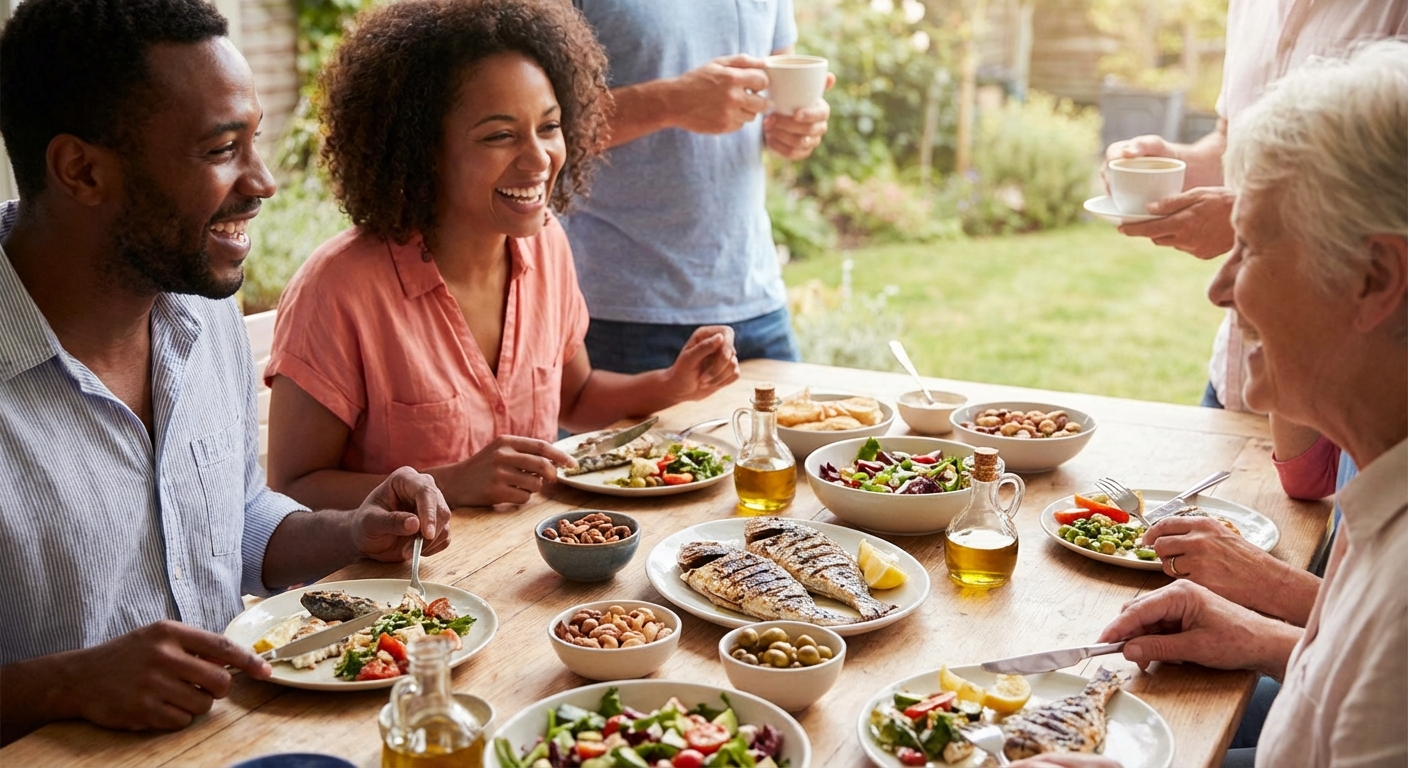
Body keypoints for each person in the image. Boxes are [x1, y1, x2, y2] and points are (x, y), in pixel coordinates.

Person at [0, 0, 451, 743]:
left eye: (256, 142)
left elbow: (232, 520)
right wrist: (65, 684)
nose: (264, 181)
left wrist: (349, 532)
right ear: (81, 170)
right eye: (220, 151)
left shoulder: (202, 311)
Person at [1046, 39, 1408, 768]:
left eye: (1250, 246)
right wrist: (1261, 635)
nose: (1221, 287)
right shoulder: (1379, 494)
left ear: (1374, 276)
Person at [263, 0, 740, 512]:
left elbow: (576, 399)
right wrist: (449, 483)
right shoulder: (340, 288)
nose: (538, 159)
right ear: (422, 148)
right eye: (500, 135)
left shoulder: (546, 244)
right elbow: (292, 490)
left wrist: (672, 384)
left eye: (549, 127)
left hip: (515, 568)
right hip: (392, 586)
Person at [1104, 0, 1406, 414]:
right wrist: (1172, 164)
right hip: (1236, 375)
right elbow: (1232, 142)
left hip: (1342, 389)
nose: (1216, 292)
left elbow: (1391, 188)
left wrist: (1244, 219)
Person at [560, 0, 834, 374]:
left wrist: (796, 128)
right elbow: (543, 119)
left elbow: (778, 89)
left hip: (756, 299)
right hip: (624, 314)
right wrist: (671, 102)